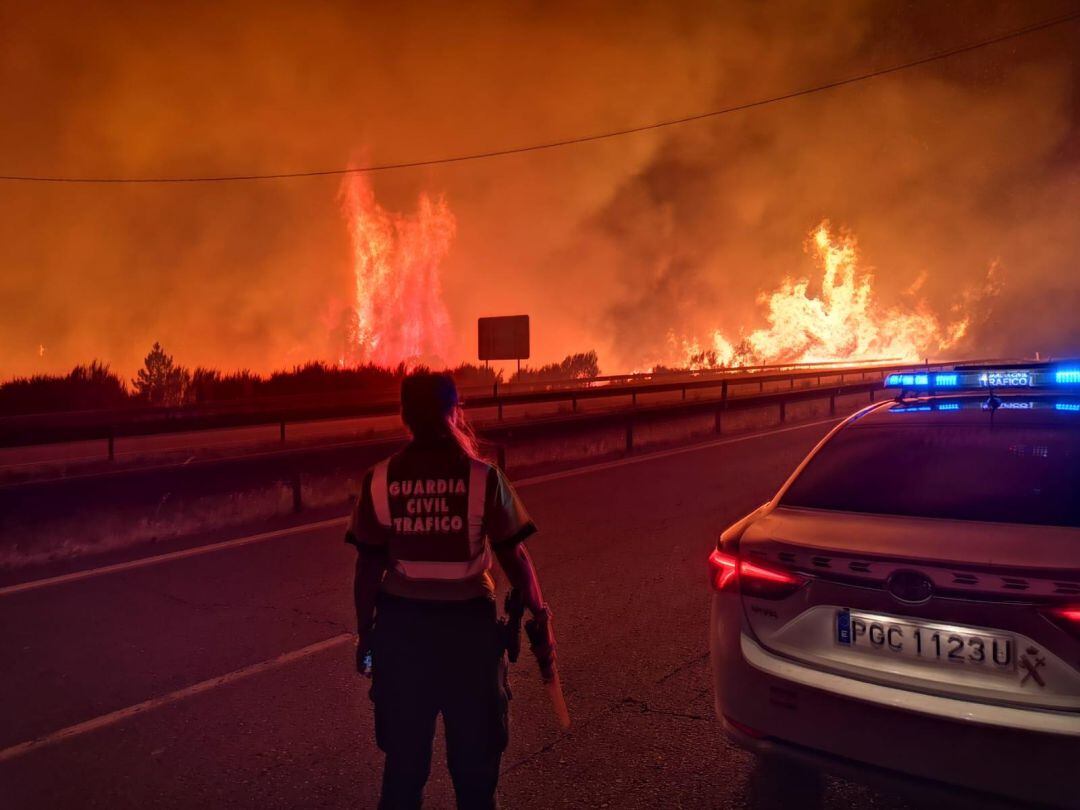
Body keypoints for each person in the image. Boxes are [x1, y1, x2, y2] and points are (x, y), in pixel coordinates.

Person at [347, 370, 555, 810]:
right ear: (454, 413)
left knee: (403, 772)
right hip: (469, 642)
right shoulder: (483, 478)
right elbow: (515, 559)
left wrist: (367, 634)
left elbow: (367, 569)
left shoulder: (381, 480)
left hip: (402, 641)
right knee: (475, 777)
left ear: (405, 416)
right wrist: (540, 617)